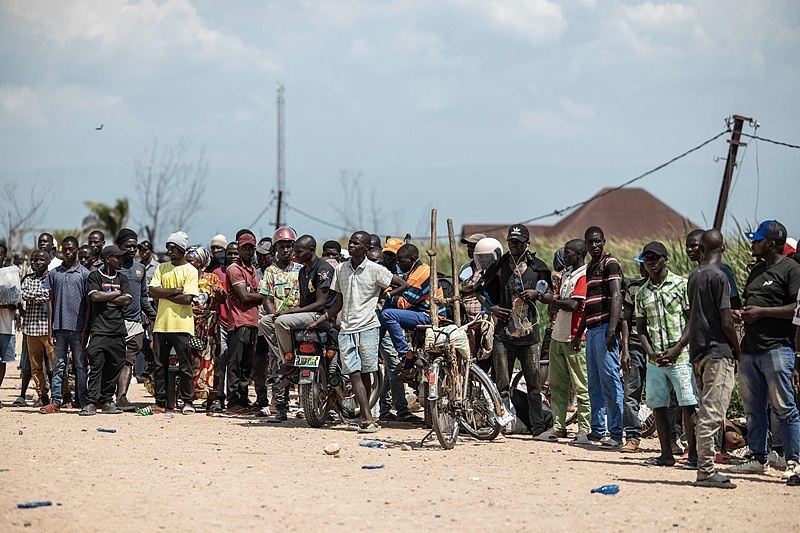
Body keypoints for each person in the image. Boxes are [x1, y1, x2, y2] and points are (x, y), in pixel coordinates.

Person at [309, 231, 407, 433]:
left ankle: (364, 414)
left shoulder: (375, 270)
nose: (352, 246)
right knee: (353, 373)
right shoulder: (341, 270)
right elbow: (337, 303)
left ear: (366, 248)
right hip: (347, 329)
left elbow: (402, 284)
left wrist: (386, 293)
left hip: (369, 327)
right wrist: (322, 319)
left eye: (356, 243)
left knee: (366, 373)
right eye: (351, 243)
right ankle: (368, 418)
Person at [728, 220, 800, 482]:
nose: (752, 243)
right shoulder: (757, 270)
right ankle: (758, 458)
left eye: (757, 240)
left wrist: (762, 313)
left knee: (784, 407)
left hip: (777, 349)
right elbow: (751, 304)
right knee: (753, 408)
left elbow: (796, 310)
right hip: (751, 350)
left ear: (771, 244)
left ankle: (794, 460)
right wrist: (742, 315)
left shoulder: (792, 270)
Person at [476, 224, 553, 438]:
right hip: (504, 335)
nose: (514, 245)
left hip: (530, 336)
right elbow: (478, 288)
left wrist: (536, 293)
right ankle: (503, 425)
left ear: (527, 243)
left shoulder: (538, 267)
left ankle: (537, 428)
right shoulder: (500, 265)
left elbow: (550, 296)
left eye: (518, 242)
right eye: (511, 241)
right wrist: (492, 308)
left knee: (534, 386)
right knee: (502, 384)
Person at [635, 241, 698, 467]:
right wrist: (650, 352)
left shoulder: (681, 285)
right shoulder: (641, 293)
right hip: (656, 360)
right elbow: (641, 327)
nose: (650, 262)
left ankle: (693, 455)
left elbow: (692, 319)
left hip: (680, 356)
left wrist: (678, 347)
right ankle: (666, 454)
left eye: (654, 257)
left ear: (665, 259)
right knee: (659, 405)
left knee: (687, 405)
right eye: (646, 258)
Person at [687, 229, 740, 489]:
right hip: (718, 352)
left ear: (702, 249)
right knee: (712, 415)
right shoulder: (719, 277)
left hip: (698, 353)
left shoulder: (694, 275)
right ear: (723, 248)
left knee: (704, 412)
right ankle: (706, 471)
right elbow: (726, 320)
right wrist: (737, 349)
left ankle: (703, 466)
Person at [572, 226, 627, 448]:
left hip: (605, 329)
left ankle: (616, 433)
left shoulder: (609, 263)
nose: (594, 245)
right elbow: (588, 303)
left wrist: (612, 330)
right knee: (593, 382)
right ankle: (597, 430)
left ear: (603, 241)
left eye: (597, 242)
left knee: (611, 381)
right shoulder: (590, 266)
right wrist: (579, 334)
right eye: (590, 242)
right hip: (592, 330)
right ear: (585, 244)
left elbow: (616, 295)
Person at [538, 239, 590, 442]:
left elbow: (574, 305)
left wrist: (553, 301)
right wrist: (547, 299)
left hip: (575, 337)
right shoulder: (567, 274)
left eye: (567, 253)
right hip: (558, 335)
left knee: (581, 385)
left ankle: (584, 429)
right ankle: (558, 427)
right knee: (557, 386)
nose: (564, 256)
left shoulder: (583, 275)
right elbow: (558, 301)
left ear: (578, 254)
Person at [148, 231, 199, 414]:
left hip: (182, 324)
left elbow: (188, 299)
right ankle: (160, 402)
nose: (169, 251)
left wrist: (165, 293)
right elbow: (152, 291)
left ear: (181, 250)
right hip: (161, 323)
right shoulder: (162, 268)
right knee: (159, 365)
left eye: (173, 248)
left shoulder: (191, 271)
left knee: (185, 365)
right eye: (168, 247)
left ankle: (188, 401)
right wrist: (175, 291)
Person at [81, 245, 132, 415]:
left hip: (117, 330)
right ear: (108, 258)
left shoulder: (122, 278)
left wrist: (107, 296)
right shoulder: (95, 276)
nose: (121, 260)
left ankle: (106, 400)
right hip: (99, 330)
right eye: (118, 257)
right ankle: (91, 401)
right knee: (96, 365)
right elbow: (95, 297)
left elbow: (127, 300)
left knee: (115, 366)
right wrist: (116, 294)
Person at [44, 236, 90, 412]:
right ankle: (56, 400)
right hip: (59, 327)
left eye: (72, 249)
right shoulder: (54, 274)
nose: (68, 252)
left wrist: (85, 329)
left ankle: (83, 400)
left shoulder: (84, 274)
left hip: (78, 328)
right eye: (65, 249)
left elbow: (88, 304)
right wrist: (50, 329)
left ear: (77, 250)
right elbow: (50, 302)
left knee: (80, 365)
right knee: (59, 366)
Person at [380, 244, 442, 375]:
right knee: (388, 307)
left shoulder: (418, 275)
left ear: (413, 259)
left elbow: (403, 304)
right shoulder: (416, 270)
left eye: (402, 262)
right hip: (419, 311)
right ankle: (378, 343)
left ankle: (404, 354)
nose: (399, 264)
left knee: (387, 314)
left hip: (429, 315)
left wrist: (388, 292)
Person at [258, 227, 300, 420]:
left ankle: (304, 404)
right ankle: (280, 406)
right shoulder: (270, 272)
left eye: (289, 246)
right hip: (278, 323)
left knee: (306, 360)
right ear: (276, 248)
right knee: (278, 363)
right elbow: (266, 298)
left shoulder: (301, 270)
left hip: (298, 321)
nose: (286, 250)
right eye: (282, 247)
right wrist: (274, 316)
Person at [113, 229, 157, 411]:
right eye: (128, 246)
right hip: (113, 322)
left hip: (134, 323)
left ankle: (122, 397)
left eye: (134, 246)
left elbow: (143, 299)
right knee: (112, 361)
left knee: (128, 361)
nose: (132, 249)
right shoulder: (112, 268)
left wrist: (155, 317)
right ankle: (105, 396)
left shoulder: (140, 270)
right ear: (119, 247)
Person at [224, 231, 264, 414]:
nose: (248, 251)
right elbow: (245, 295)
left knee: (247, 365)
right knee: (236, 363)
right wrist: (262, 297)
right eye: (245, 248)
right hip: (238, 321)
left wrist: (255, 297)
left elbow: (251, 295)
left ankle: (243, 399)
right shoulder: (234, 269)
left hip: (253, 321)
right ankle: (233, 402)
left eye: (251, 248)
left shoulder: (253, 270)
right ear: (239, 248)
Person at [185, 246, 225, 407]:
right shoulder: (185, 278)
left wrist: (219, 291)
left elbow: (223, 298)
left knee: (211, 360)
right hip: (189, 322)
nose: (187, 264)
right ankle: (190, 397)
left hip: (209, 326)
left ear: (201, 262)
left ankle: (211, 398)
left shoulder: (212, 278)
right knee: (190, 359)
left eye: (191, 261)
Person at [620, 256, 649, 453]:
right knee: (631, 395)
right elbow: (625, 319)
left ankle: (671, 438)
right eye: (640, 263)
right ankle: (632, 437)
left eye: (643, 263)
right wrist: (625, 349)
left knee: (666, 397)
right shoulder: (633, 289)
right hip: (635, 347)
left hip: (658, 350)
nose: (641, 267)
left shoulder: (667, 288)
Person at [19, 250, 52, 409]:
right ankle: (42, 395)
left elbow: (50, 296)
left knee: (56, 365)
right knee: (35, 366)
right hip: (31, 329)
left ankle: (63, 394)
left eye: (42, 259)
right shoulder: (28, 279)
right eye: (35, 260)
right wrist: (42, 295)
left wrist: (37, 295)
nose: (38, 262)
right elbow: (23, 294)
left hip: (48, 329)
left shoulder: (53, 278)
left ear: (48, 260)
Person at [210, 242, 238, 412]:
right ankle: (219, 397)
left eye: (236, 253)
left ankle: (233, 398)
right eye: (230, 253)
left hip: (237, 322)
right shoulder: (216, 274)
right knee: (221, 358)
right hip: (220, 321)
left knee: (235, 361)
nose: (233, 256)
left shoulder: (243, 272)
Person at [685, 229, 741, 309]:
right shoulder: (697, 271)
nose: (688, 250)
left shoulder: (721, 269)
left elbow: (733, 298)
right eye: (687, 246)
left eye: (693, 245)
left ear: (703, 246)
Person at [251, 238, 274, 412]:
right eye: (258, 254)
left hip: (274, 322)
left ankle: (278, 400)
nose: (260, 258)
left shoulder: (277, 272)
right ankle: (261, 398)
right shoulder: (255, 272)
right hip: (258, 323)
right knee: (258, 363)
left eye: (263, 255)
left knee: (276, 362)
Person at [0, 243, 17, 407]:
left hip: (5, 326)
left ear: (4, 257)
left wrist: (4, 303)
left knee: (2, 362)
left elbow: (15, 303)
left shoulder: (9, 275)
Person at [458, 233, 486, 321]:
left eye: (472, 247)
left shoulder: (488, 268)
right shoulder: (465, 267)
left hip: (482, 317)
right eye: (468, 247)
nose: (468, 250)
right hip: (465, 317)